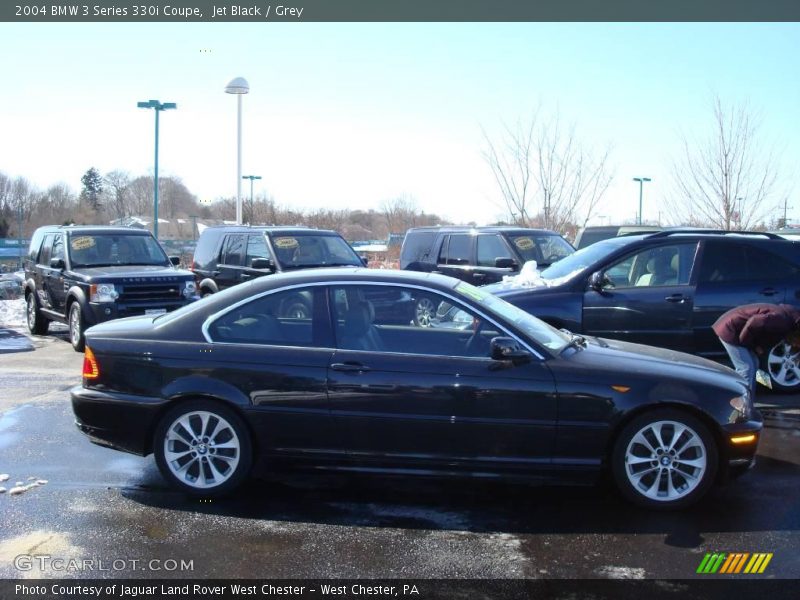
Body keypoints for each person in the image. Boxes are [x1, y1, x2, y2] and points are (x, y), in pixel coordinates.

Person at [713, 303, 800, 394]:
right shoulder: (781, 321)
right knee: (746, 367)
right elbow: (754, 321)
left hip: (736, 328)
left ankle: (748, 400)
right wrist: (748, 344)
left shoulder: (791, 318)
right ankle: (742, 403)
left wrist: (755, 347)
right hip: (730, 329)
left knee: (755, 363)